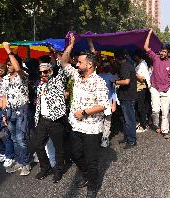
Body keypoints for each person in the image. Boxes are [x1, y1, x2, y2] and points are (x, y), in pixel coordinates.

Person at [61, 33, 109, 198]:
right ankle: (86, 174)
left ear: (89, 65)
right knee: (76, 154)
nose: (76, 64)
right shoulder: (76, 75)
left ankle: (92, 187)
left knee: (91, 160)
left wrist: (84, 112)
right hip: (76, 125)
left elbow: (103, 105)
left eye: (80, 62)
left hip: (92, 128)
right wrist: (71, 44)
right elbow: (63, 62)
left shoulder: (99, 82)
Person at [33, 62, 68, 183]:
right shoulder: (40, 85)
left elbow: (63, 68)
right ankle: (45, 167)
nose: (43, 74)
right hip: (42, 120)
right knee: (38, 144)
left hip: (55, 120)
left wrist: (56, 55)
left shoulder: (57, 82)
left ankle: (59, 170)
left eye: (45, 72)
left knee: (59, 148)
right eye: (41, 72)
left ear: (51, 72)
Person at [2, 42, 31, 176]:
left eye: (10, 64)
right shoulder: (5, 79)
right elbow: (4, 97)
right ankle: (19, 162)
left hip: (22, 109)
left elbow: (18, 69)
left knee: (21, 138)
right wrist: (4, 115)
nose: (8, 66)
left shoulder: (22, 75)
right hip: (9, 111)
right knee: (13, 138)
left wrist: (9, 50)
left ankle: (26, 163)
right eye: (7, 64)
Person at [144, 29, 170, 139]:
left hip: (166, 90)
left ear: (168, 53)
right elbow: (146, 47)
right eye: (161, 51)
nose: (162, 53)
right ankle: (156, 124)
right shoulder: (155, 57)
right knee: (155, 110)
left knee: (165, 112)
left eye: (164, 51)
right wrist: (149, 34)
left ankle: (165, 130)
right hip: (154, 88)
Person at [114, 49, 137, 148]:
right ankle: (127, 137)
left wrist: (115, 82)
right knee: (125, 118)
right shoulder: (129, 64)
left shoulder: (124, 66)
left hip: (127, 96)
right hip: (128, 96)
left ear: (117, 58)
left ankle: (131, 140)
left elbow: (127, 81)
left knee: (129, 119)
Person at [133, 49, 150, 133]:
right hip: (139, 88)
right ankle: (142, 123)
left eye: (134, 56)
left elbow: (142, 78)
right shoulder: (139, 63)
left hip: (141, 88)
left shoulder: (142, 65)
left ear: (137, 56)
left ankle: (143, 126)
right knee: (139, 107)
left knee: (141, 107)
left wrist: (133, 74)